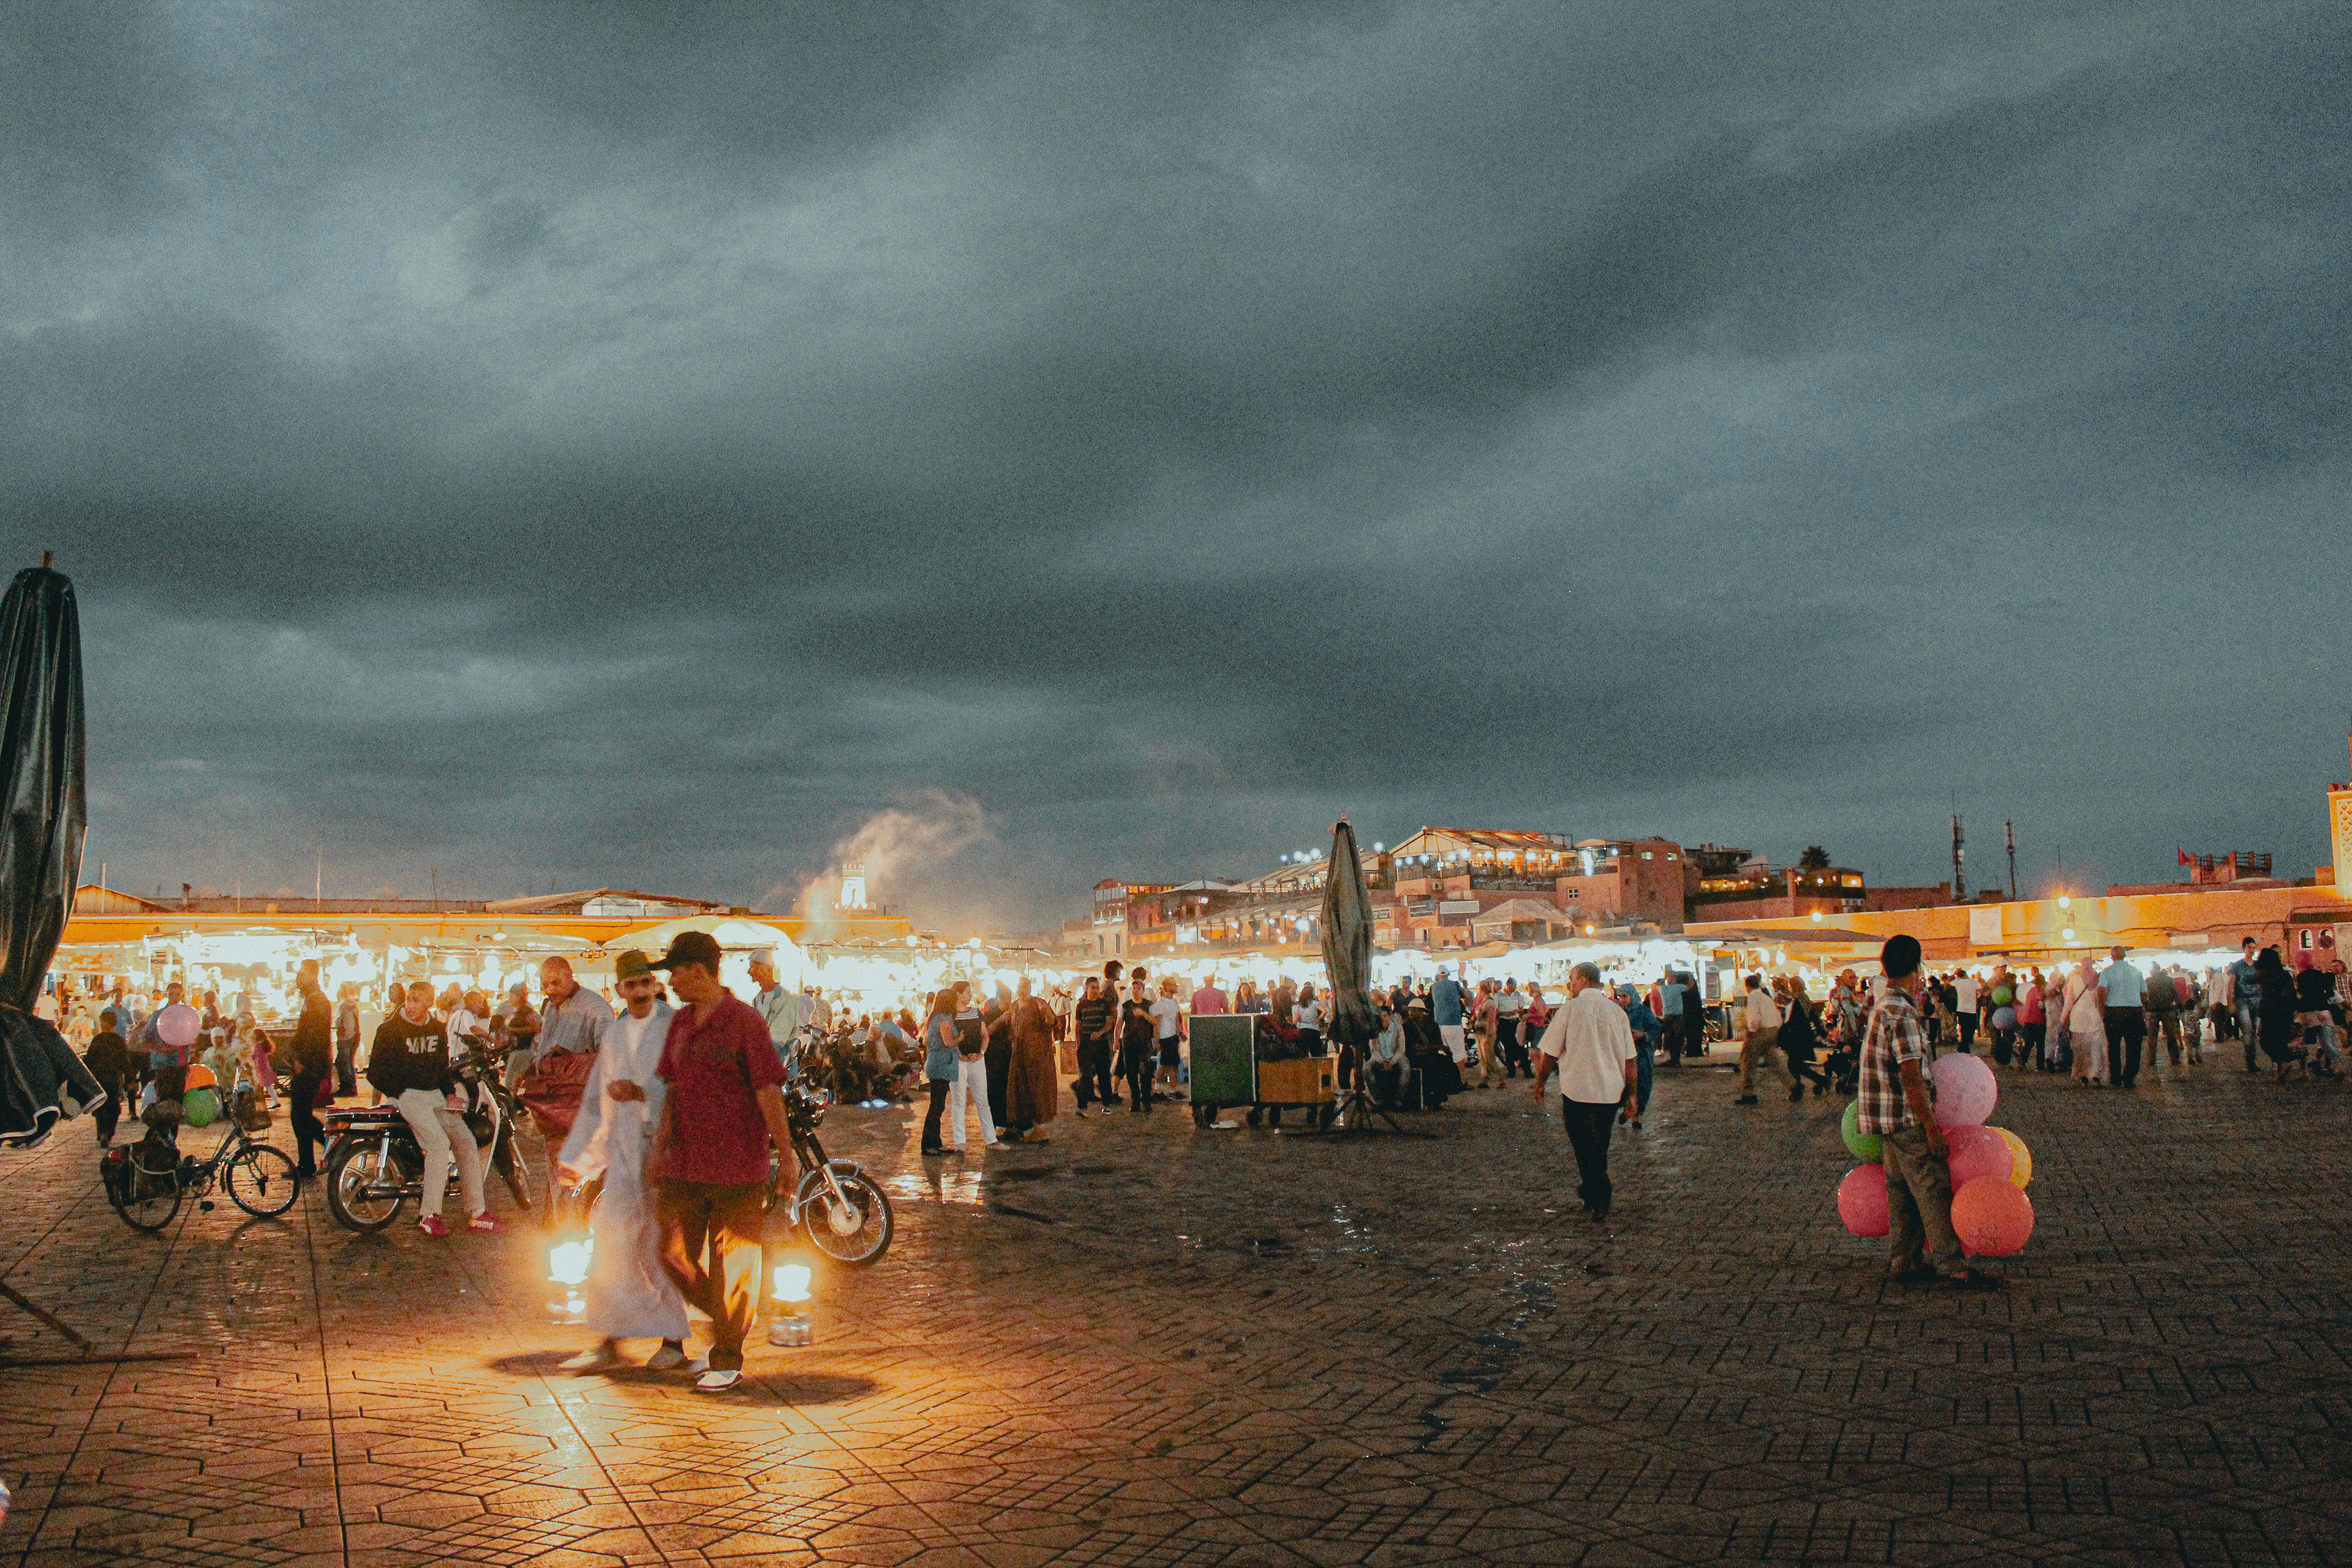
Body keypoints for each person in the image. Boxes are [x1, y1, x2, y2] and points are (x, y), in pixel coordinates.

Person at [643, 931, 792, 1392]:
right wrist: (659, 1146)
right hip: (686, 1162)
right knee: (670, 1251)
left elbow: (768, 1089)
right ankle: (726, 1318)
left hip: (736, 1162)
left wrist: (785, 1156)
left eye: (676, 971)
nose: (672, 980)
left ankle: (727, 1354)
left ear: (700, 971)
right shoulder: (681, 1023)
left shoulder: (744, 1022)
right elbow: (671, 1088)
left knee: (736, 1263)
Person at [554, 949, 692, 1374]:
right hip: (625, 1156)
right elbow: (597, 1104)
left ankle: (673, 1342)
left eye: (644, 983)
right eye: (630, 985)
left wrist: (644, 1095)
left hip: (665, 1155)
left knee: (660, 1249)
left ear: (655, 985)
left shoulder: (674, 1028)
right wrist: (579, 1158)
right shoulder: (614, 1035)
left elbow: (684, 1088)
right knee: (610, 1244)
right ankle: (609, 1338)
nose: (639, 992)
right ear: (619, 990)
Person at [1854, 934, 2000, 1290]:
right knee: (1933, 1187)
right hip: (1906, 1117)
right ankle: (1953, 1266)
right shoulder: (1902, 1012)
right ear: (1917, 969)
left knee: (1901, 1190)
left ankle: (1903, 1261)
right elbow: (1911, 1076)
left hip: (1886, 1117)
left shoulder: (1882, 1005)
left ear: (1885, 966)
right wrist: (1932, 1128)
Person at [367, 979, 494, 1238]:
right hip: (409, 1095)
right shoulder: (389, 1030)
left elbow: (441, 1066)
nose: (410, 1005)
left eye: (417, 1000)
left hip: (435, 1094)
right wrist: (398, 1092)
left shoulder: (437, 1029)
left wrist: (449, 1094)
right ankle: (429, 1215)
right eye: (409, 999)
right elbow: (374, 1072)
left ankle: (477, 1212)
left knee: (466, 1141)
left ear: (428, 1003)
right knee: (437, 1144)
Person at [1529, 962, 1637, 1223]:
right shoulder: (1617, 1013)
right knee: (1600, 1144)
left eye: (1572, 980)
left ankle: (1599, 1191)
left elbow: (1551, 1053)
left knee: (1584, 1146)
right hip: (1610, 1091)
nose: (1570, 985)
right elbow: (1630, 1060)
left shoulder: (1569, 1010)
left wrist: (1541, 1082)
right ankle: (1592, 1192)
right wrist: (1632, 1095)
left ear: (1583, 982)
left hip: (1577, 1090)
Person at [526, 956, 614, 1211]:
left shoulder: (595, 1008)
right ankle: (555, 1221)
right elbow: (543, 1047)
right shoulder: (551, 1008)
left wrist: (570, 1062)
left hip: (582, 1104)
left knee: (576, 1171)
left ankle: (570, 1227)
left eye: (556, 982)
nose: (550, 989)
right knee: (556, 1165)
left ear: (570, 976)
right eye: (545, 984)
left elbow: (608, 1053)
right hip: (555, 1104)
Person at [285, 959, 334, 1179]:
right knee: (300, 1114)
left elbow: (315, 1036)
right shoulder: (312, 1000)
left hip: (309, 1065)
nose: (298, 979)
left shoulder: (317, 1002)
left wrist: (302, 1061)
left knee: (301, 1113)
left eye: (301, 974)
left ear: (312, 975)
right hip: (308, 1063)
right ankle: (307, 1162)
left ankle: (329, 1144)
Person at [1001, 978, 1060, 1143]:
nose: (1022, 991)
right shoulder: (1014, 1006)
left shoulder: (1038, 1004)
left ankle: (1040, 1129)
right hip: (1019, 1055)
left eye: (1025, 987)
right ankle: (1023, 1126)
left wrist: (1046, 1012)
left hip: (1037, 1055)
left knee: (1038, 1089)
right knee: (1020, 1089)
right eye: (1020, 988)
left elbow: (1052, 1022)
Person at [946, 981, 1002, 1150]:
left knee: (982, 1100)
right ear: (959, 994)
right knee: (959, 1100)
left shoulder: (976, 1013)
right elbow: (949, 1038)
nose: (971, 995)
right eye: (968, 992)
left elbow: (985, 1035)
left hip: (977, 1060)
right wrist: (960, 1054)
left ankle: (991, 1139)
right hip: (958, 1061)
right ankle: (960, 1141)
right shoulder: (951, 1016)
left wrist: (981, 1053)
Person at [748, 948, 803, 1077]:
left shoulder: (786, 1000)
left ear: (764, 969)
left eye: (752, 967)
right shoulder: (757, 999)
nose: (749, 972)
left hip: (780, 1069)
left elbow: (777, 1041)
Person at [2097, 948, 2146, 1089]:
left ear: (2112, 957)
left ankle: (2116, 1078)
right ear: (2125, 956)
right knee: (2134, 1047)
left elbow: (2101, 991)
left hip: (2114, 1012)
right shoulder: (2136, 971)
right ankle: (2129, 1077)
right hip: (2134, 1011)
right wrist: (2141, 1007)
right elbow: (2144, 992)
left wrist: (2103, 1010)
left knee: (2113, 1046)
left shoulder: (2107, 972)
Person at [2252, 946, 2304, 1080]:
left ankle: (2285, 1062)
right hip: (2285, 1012)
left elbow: (2252, 980)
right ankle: (2282, 1068)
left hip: (2272, 1011)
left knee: (2267, 1041)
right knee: (2280, 1040)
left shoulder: (2265, 974)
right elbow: (2291, 993)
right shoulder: (2283, 974)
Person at [1611, 984, 1659, 1128]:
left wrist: (1643, 1035)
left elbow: (1656, 1028)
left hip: (1642, 1055)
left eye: (1625, 996)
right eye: (1620, 997)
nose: (1623, 1000)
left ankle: (1637, 1116)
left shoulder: (1644, 1012)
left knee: (1642, 1085)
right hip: (1623, 1054)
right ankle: (1628, 1109)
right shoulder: (1618, 1013)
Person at [920, 989, 959, 1155]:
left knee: (938, 1104)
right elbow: (949, 1042)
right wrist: (962, 1038)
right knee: (937, 1105)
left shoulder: (934, 1018)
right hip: (941, 1064)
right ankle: (929, 1145)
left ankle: (935, 1142)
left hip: (935, 1061)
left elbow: (925, 1040)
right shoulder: (944, 1019)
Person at [83, 1012, 132, 1147]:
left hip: (109, 1077)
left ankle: (106, 1132)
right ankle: (105, 1132)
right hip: (103, 1077)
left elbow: (124, 1060)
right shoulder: (107, 1040)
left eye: (106, 1022)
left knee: (107, 1105)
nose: (104, 1025)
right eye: (102, 1022)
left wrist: (129, 1078)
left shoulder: (112, 1040)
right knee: (107, 1106)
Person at [1733, 974, 1781, 1106]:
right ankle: (1794, 1086)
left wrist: (1751, 1032)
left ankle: (1748, 1093)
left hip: (1761, 1032)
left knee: (1747, 1062)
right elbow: (1776, 1015)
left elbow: (1755, 1018)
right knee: (1773, 1061)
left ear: (1747, 986)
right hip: (1773, 1030)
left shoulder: (1753, 997)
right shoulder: (1766, 997)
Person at [1071, 976, 1116, 1114]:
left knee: (1103, 1075)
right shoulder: (1081, 1006)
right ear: (1087, 989)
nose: (1096, 990)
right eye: (1093, 988)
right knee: (1085, 1076)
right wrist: (1078, 1043)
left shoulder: (1103, 1004)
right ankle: (1082, 1106)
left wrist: (1099, 1033)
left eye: (1097, 987)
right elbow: (1078, 1025)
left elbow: (1110, 1023)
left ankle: (1107, 1104)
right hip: (1086, 1044)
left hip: (1101, 1044)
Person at [1780, 977, 1828, 1101]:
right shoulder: (1805, 999)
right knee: (1796, 1065)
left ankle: (1800, 1088)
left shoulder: (1794, 1001)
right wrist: (1822, 1033)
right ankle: (1817, 1082)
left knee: (1794, 1065)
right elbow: (1813, 1017)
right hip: (1804, 1037)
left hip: (1796, 1038)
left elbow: (1789, 1021)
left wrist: (1781, 1035)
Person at [1117, 976, 1158, 1115]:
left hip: (1145, 1043)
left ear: (1143, 990)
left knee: (1146, 1072)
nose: (1135, 991)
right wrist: (1116, 1040)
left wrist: (1143, 1014)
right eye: (1133, 989)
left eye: (1138, 989)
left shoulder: (1149, 1005)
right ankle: (1135, 1100)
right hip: (1129, 1042)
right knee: (1131, 1072)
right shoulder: (1126, 1006)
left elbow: (1155, 1021)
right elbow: (1119, 1023)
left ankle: (1146, 1100)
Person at [2062, 957, 2106, 1085]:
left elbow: (2069, 1001)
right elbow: (2102, 1000)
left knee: (2081, 1048)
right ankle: (2096, 1073)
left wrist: (2063, 1018)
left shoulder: (2074, 980)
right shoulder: (2098, 979)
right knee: (2096, 1047)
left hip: (2078, 1017)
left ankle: (2082, 1074)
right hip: (2094, 1016)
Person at [2228, 937, 2263, 1071]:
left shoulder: (2257, 965)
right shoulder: (2237, 966)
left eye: (2254, 947)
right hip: (2242, 1001)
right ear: (2244, 948)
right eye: (2249, 947)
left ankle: (2252, 1058)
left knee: (2254, 1031)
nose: (2252, 950)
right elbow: (2231, 984)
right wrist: (2231, 1003)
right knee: (2248, 1030)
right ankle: (2250, 1060)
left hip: (2257, 1001)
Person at [1150, 978, 1185, 1101]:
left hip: (1173, 1036)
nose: (1176, 987)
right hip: (1165, 1037)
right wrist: (1157, 1040)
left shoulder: (1174, 1003)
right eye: (1174, 985)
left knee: (1173, 1065)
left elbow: (1176, 1020)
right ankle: (1159, 1090)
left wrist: (1180, 1032)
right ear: (1168, 987)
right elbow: (1157, 1024)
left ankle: (1170, 1089)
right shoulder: (1161, 1005)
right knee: (1165, 1065)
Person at [1430, 967, 1466, 1076]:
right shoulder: (1455, 984)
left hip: (1439, 1023)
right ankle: (1462, 1081)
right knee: (1459, 1053)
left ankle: (1446, 1080)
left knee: (1443, 1052)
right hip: (1454, 1022)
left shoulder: (1434, 988)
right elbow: (1466, 995)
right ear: (1448, 974)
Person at [1495, 978, 1530, 1079]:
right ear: (1509, 985)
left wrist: (1517, 1011)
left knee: (1519, 1046)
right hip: (1505, 1022)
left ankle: (1526, 1070)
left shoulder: (1517, 995)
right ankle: (1512, 1071)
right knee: (1508, 1048)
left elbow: (1522, 1008)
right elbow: (1496, 1010)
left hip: (1515, 1022)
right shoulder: (1499, 995)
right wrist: (1504, 1013)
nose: (1515, 987)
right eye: (1514, 985)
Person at [333, 982, 362, 1099]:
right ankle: (352, 1086)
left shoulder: (342, 1005)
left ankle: (347, 1087)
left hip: (345, 1036)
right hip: (354, 1035)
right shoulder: (353, 1004)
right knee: (349, 1062)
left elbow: (338, 1021)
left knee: (343, 1063)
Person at [2015, 970, 2048, 1071]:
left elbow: (2028, 1006)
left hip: (2029, 1020)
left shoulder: (2030, 992)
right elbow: (2043, 1007)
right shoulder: (2043, 993)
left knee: (2029, 1043)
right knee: (2041, 1044)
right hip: (2040, 1021)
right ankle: (2040, 1065)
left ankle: (2023, 1060)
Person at [1952, 970, 1979, 1053]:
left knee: (1963, 1028)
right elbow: (1980, 991)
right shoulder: (1974, 982)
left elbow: (1950, 981)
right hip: (1972, 1009)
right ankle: (1965, 1046)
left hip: (1961, 1008)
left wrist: (1954, 974)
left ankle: (1963, 1046)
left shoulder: (1957, 982)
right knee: (1972, 1028)